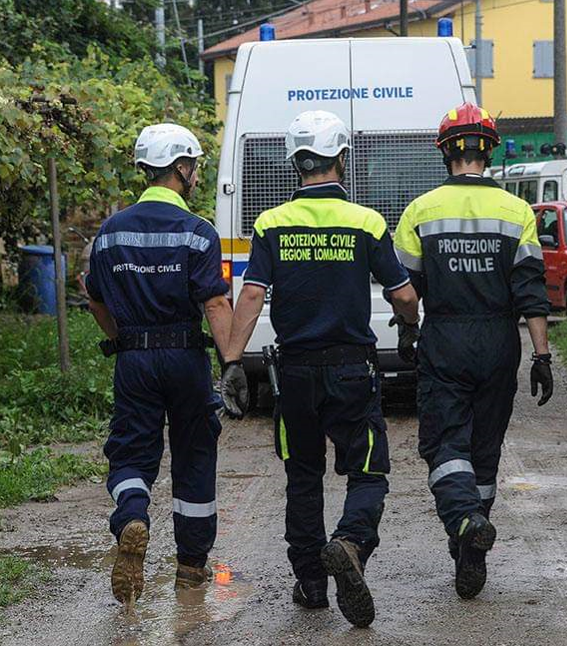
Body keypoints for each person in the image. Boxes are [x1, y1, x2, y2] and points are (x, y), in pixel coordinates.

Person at [220, 110, 419, 628]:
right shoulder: (367, 222)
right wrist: (409, 325)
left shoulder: (270, 223)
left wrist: (233, 361)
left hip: (296, 375)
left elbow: (252, 294)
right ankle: (350, 543)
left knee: (302, 476)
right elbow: (402, 293)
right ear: (342, 159)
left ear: (294, 163)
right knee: (369, 468)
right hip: (354, 370)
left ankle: (310, 582)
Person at [392, 103, 553, 601]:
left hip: (445, 338)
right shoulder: (516, 212)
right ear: (488, 152)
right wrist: (542, 356)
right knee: (484, 450)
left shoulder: (420, 210)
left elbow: (406, 291)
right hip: (499, 342)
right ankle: (471, 550)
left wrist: (407, 331)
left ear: (446, 152)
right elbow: (531, 292)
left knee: (444, 445)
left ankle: (462, 520)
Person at [85, 123, 233, 605]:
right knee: (194, 454)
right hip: (186, 357)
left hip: (134, 359)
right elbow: (214, 305)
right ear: (182, 168)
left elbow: (97, 302)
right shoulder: (198, 233)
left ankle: (131, 514)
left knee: (130, 450)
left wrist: (124, 339)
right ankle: (190, 567)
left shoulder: (109, 233)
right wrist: (231, 361)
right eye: (192, 168)